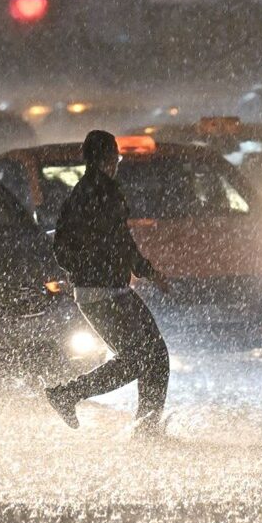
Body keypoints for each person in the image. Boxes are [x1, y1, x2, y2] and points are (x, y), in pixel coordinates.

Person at [45, 130, 171, 435]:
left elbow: (61, 244)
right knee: (143, 358)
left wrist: (81, 270)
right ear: (107, 157)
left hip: (104, 290)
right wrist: (148, 272)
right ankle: (69, 394)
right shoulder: (104, 192)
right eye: (115, 154)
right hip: (105, 292)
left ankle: (147, 428)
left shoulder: (79, 193)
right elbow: (121, 242)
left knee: (152, 356)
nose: (117, 160)